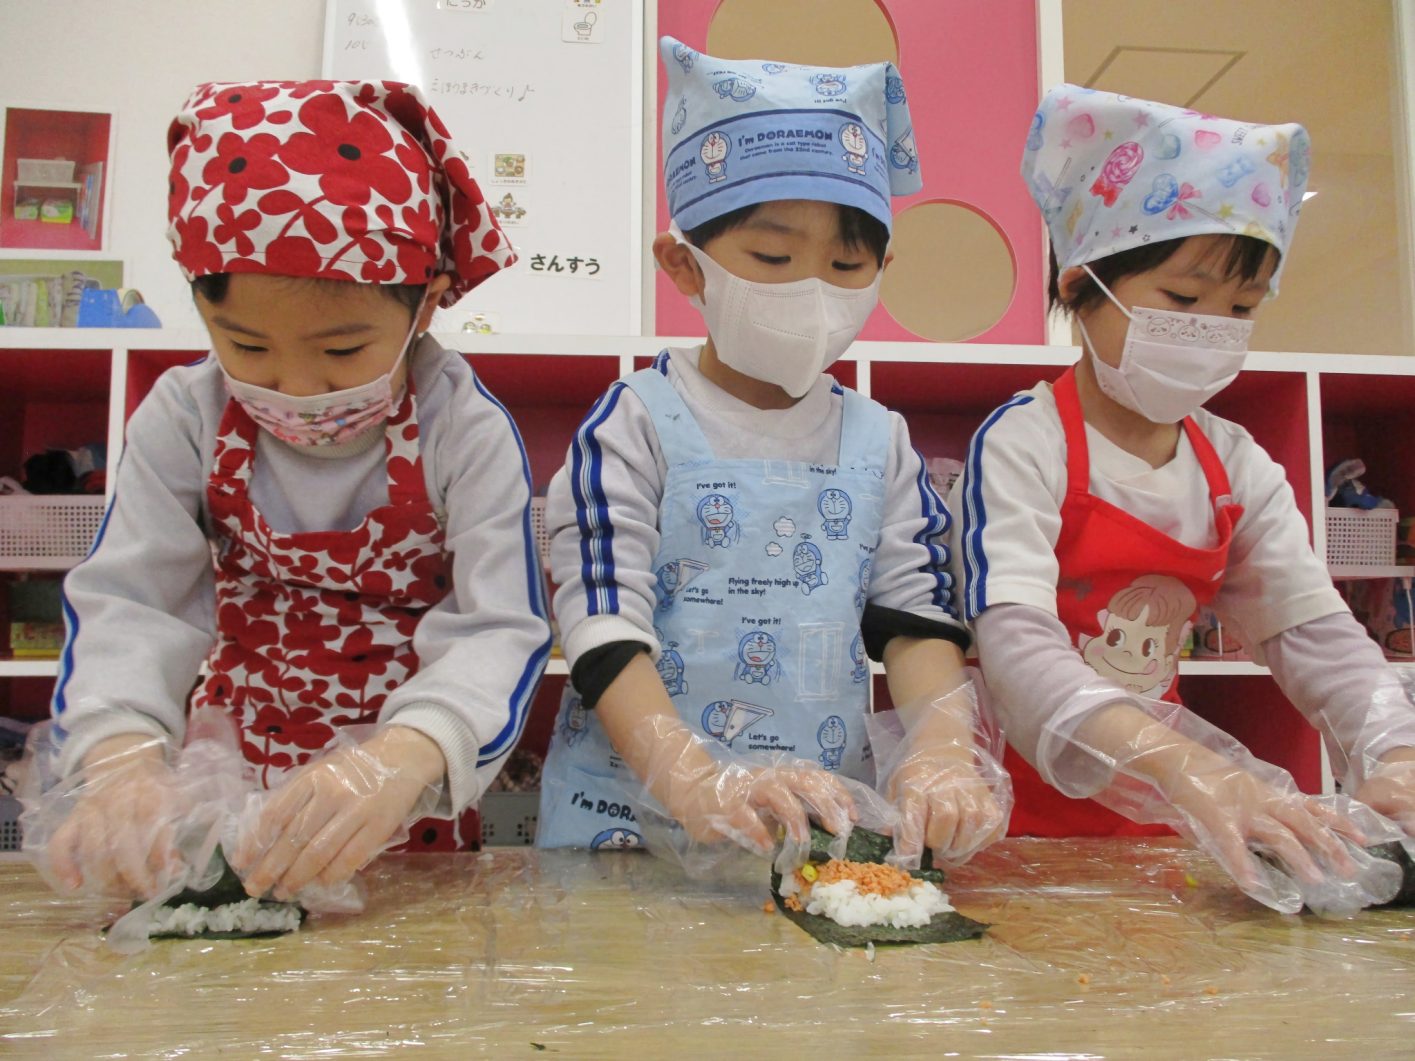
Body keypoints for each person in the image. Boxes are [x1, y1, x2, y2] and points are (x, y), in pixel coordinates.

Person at [32, 80, 550, 902]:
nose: (297, 387)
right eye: (247, 347)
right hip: (226, 772)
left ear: (424, 305)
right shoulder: (186, 415)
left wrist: (410, 751)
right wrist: (122, 753)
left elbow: (498, 623)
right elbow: (135, 599)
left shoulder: (461, 427)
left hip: (397, 797)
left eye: (342, 352)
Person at [535, 39, 1009, 867]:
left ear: (881, 268)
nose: (811, 288)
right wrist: (693, 780)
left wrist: (938, 749)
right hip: (628, 825)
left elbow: (914, 617)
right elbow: (602, 621)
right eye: (772, 257)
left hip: (813, 822)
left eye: (845, 263)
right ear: (684, 264)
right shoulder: (635, 421)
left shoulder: (878, 439)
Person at [953, 84, 1415, 907]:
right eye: (1180, 299)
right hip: (1012, 830)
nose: (1211, 328)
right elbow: (1017, 654)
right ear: (1080, 283)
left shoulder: (1233, 464)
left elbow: (1315, 636)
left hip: (1164, 830)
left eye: (1240, 308)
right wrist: (1189, 766)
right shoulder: (1024, 442)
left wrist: (1396, 752)